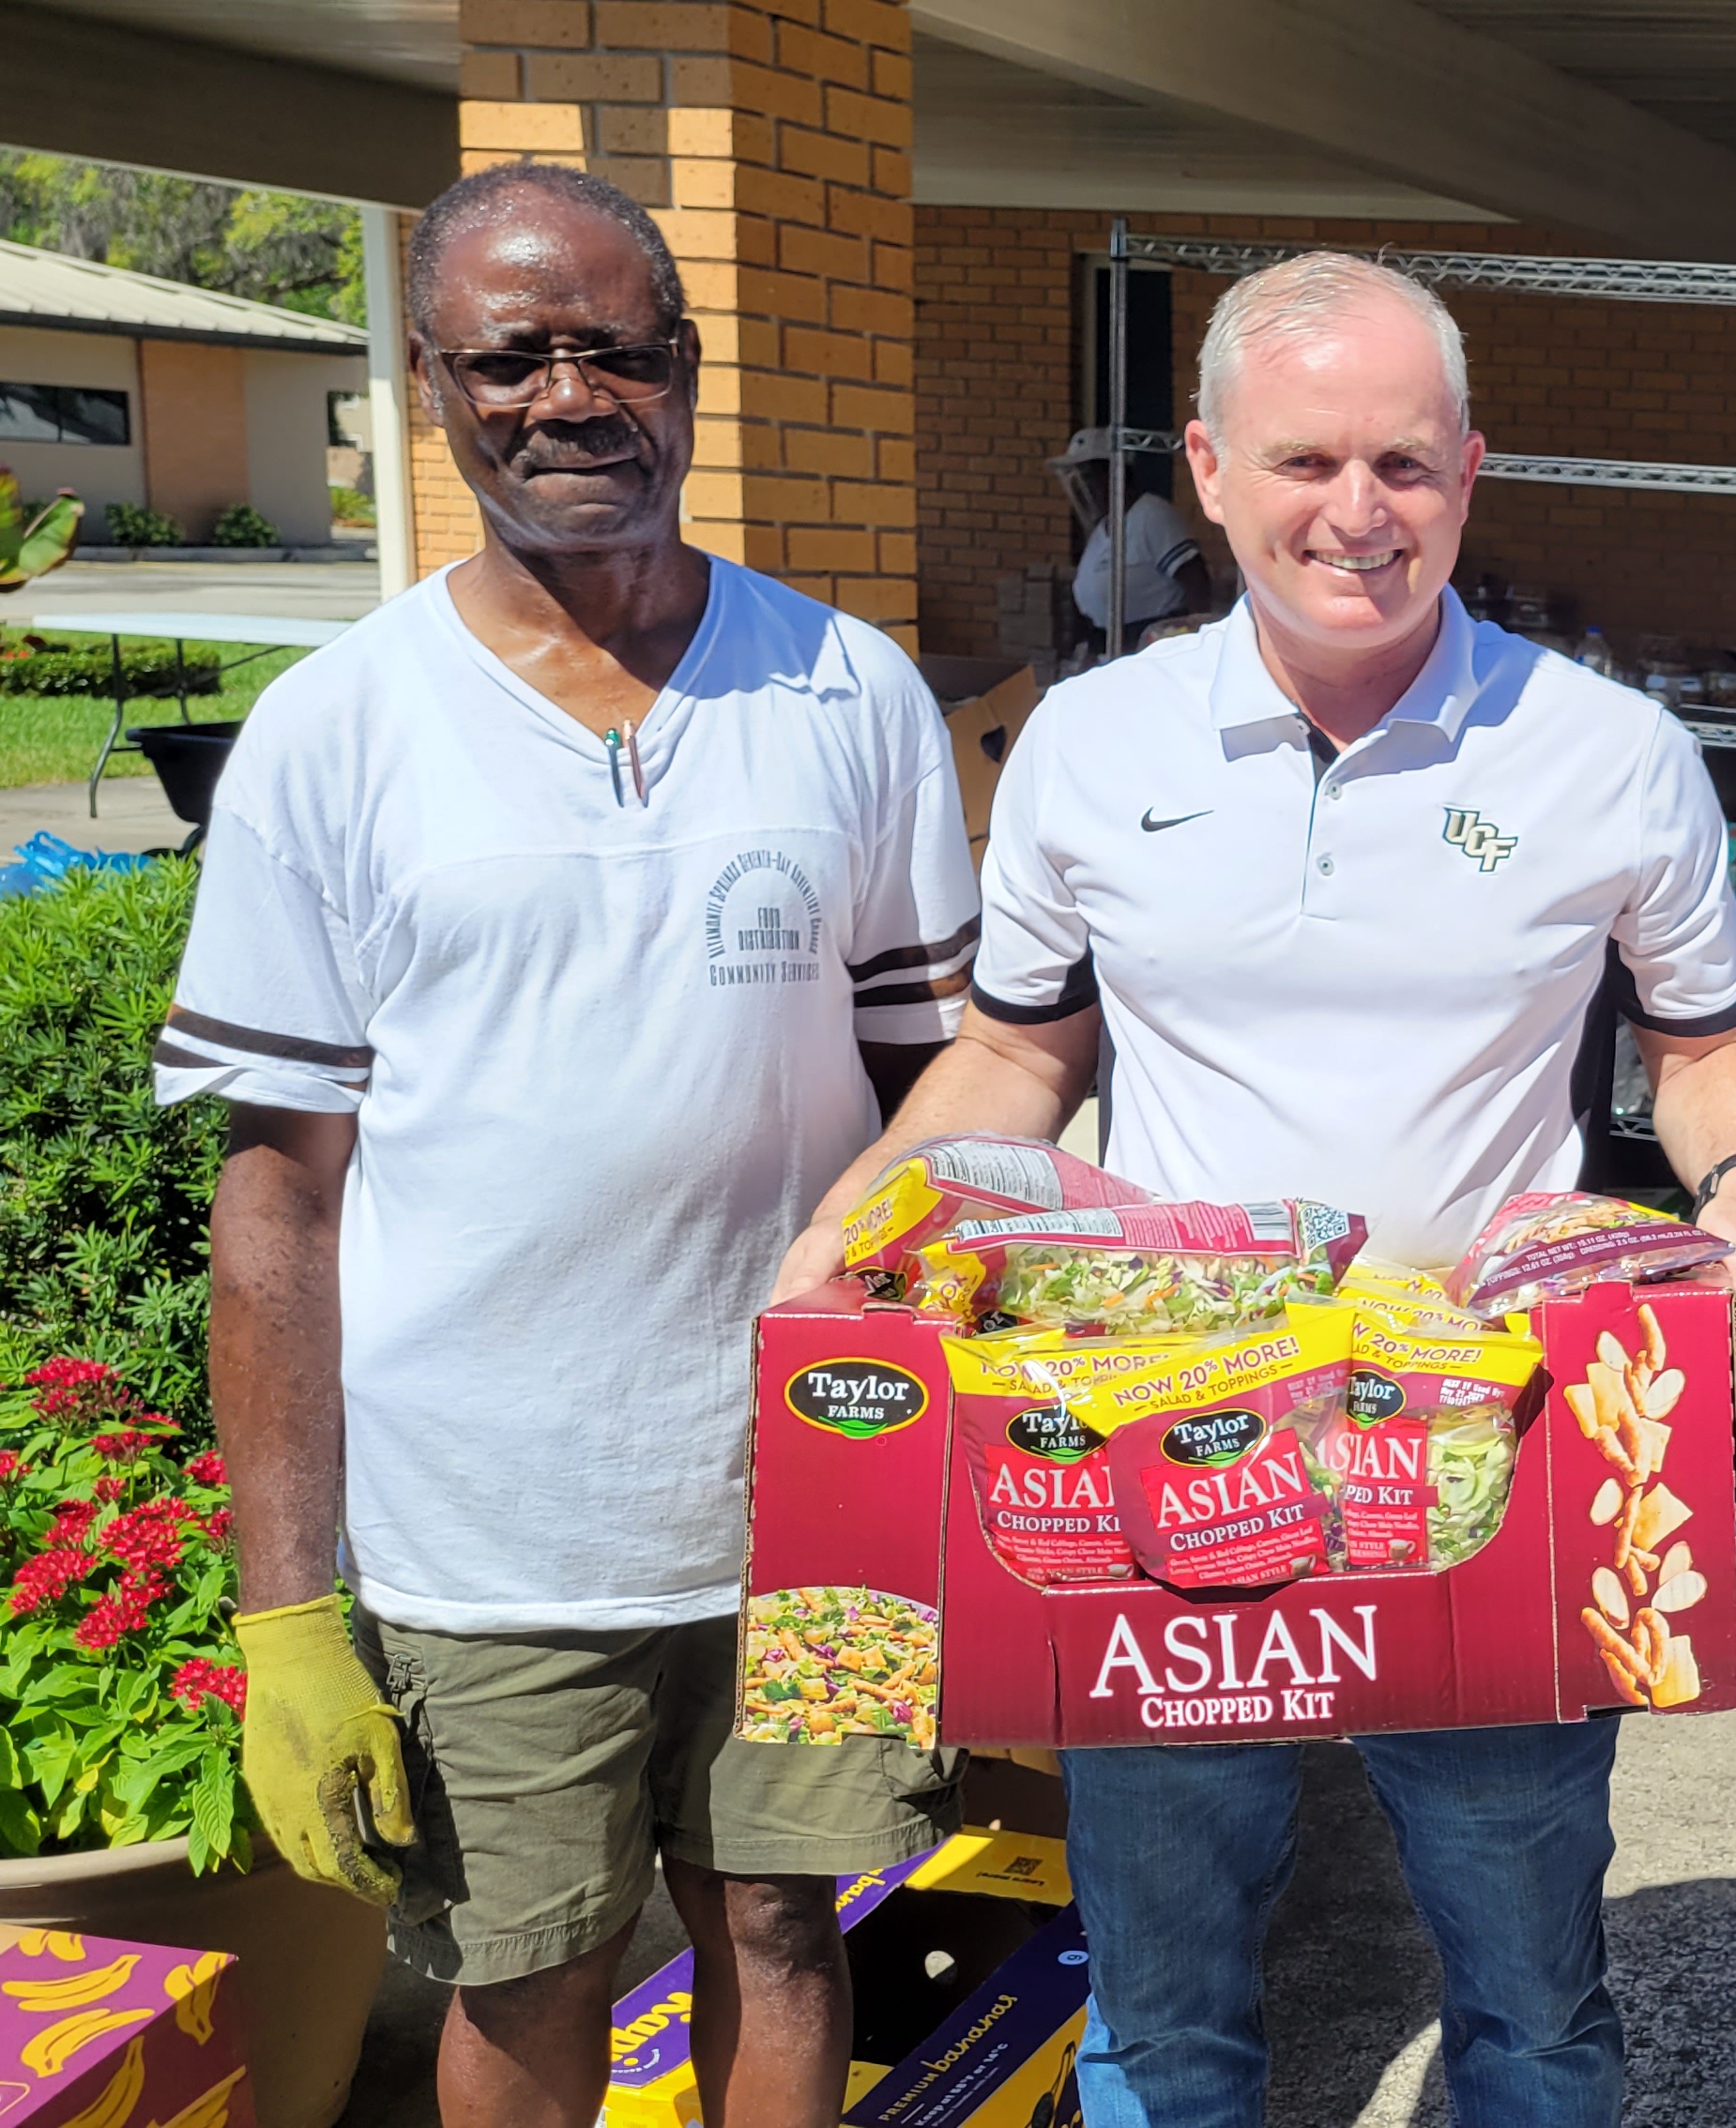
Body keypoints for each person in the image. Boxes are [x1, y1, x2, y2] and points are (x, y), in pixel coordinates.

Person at [769, 251, 1736, 2128]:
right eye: (1307, 459)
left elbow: (1707, 1039)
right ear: (1211, 468)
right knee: (1168, 2018)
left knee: (1535, 2014)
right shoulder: (1093, 744)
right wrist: (861, 1212)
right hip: (1164, 1452)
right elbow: (1020, 1052)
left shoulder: (1609, 757)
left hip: (1492, 1453)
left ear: (1469, 474)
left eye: (1404, 465)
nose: (1357, 513)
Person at [165, 163, 977, 2128]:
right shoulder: (336, 730)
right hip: (496, 1532)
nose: (564, 394)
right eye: (508, 357)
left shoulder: (849, 692)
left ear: (688, 371)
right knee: (532, 1976)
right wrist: (287, 1609)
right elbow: (278, 1192)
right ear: (432, 386)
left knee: (787, 1925)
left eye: (612, 347)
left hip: (818, 1500)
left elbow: (946, 1107)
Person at [1053, 428, 1216, 652]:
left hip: (1152, 649)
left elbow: (1196, 580)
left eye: (1089, 476)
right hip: (1109, 650)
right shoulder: (1103, 529)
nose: (1084, 488)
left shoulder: (1152, 515)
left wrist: (1194, 646)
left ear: (1114, 473)